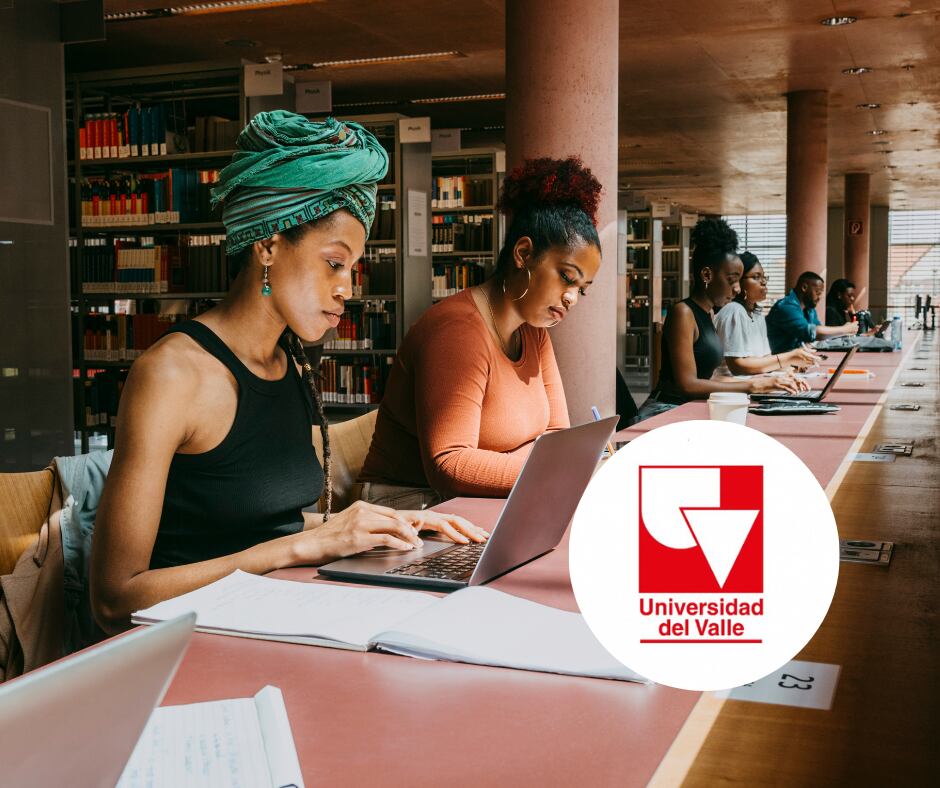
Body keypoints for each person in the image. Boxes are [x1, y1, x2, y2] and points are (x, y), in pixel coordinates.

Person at [90, 112, 486, 634]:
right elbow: (115, 598)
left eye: (355, 268)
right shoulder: (172, 375)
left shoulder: (289, 360)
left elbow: (258, 521)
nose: (348, 288)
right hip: (185, 647)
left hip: (269, 618)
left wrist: (376, 525)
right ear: (269, 246)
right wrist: (298, 546)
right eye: (334, 263)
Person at [359, 157, 602, 503]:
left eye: (583, 288)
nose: (572, 298)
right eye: (566, 277)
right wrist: (558, 471)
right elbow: (451, 465)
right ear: (523, 253)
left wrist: (555, 467)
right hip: (408, 504)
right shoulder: (456, 333)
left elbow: (555, 435)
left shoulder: (534, 332)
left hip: (480, 499)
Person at [634, 219, 799, 423]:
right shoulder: (683, 313)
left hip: (688, 409)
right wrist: (752, 386)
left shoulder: (709, 313)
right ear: (707, 275)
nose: (737, 289)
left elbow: (707, 378)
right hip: (665, 411)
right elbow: (688, 385)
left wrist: (763, 380)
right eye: (732, 280)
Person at [714, 251, 819, 377]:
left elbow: (765, 359)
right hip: (731, 390)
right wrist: (789, 357)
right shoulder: (734, 311)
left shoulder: (757, 314)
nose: (764, 282)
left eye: (764, 277)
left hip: (754, 383)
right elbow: (738, 367)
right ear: (739, 282)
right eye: (756, 277)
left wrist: (790, 368)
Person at [766, 271, 856, 353]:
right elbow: (811, 333)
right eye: (817, 292)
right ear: (804, 287)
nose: (819, 297)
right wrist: (845, 329)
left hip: (795, 361)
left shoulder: (809, 308)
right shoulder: (786, 306)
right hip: (777, 363)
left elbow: (819, 332)